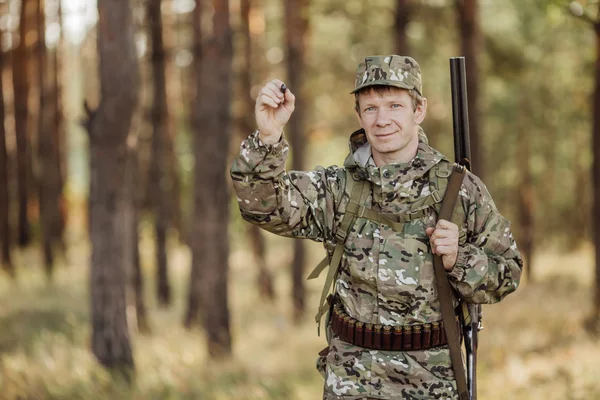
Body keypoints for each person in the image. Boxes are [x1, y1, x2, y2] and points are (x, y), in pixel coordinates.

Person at [230, 55, 523, 400]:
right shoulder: (337, 189)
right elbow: (261, 206)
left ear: (419, 110)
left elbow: (508, 273)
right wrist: (268, 136)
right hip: (351, 382)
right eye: (370, 108)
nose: (382, 120)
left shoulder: (460, 189)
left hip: (431, 382)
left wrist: (460, 258)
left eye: (395, 105)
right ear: (359, 115)